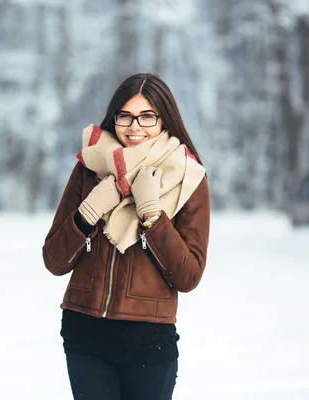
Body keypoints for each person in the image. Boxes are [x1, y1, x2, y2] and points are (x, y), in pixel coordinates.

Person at [42, 73, 210, 400]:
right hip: (85, 332)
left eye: (147, 116)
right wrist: (88, 213)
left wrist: (152, 214)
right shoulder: (90, 168)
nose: (135, 127)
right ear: (113, 118)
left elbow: (188, 276)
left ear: (165, 120)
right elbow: (54, 260)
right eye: (126, 116)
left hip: (149, 340)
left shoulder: (188, 177)